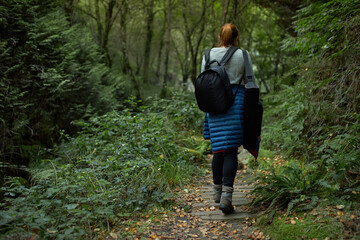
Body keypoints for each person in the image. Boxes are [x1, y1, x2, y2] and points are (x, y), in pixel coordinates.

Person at [202, 23, 255, 214]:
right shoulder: (242, 55)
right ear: (236, 37)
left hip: (213, 104)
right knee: (230, 150)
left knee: (218, 150)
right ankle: (227, 198)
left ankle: (217, 193)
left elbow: (203, 79)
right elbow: (251, 81)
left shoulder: (208, 55)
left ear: (219, 36)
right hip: (235, 103)